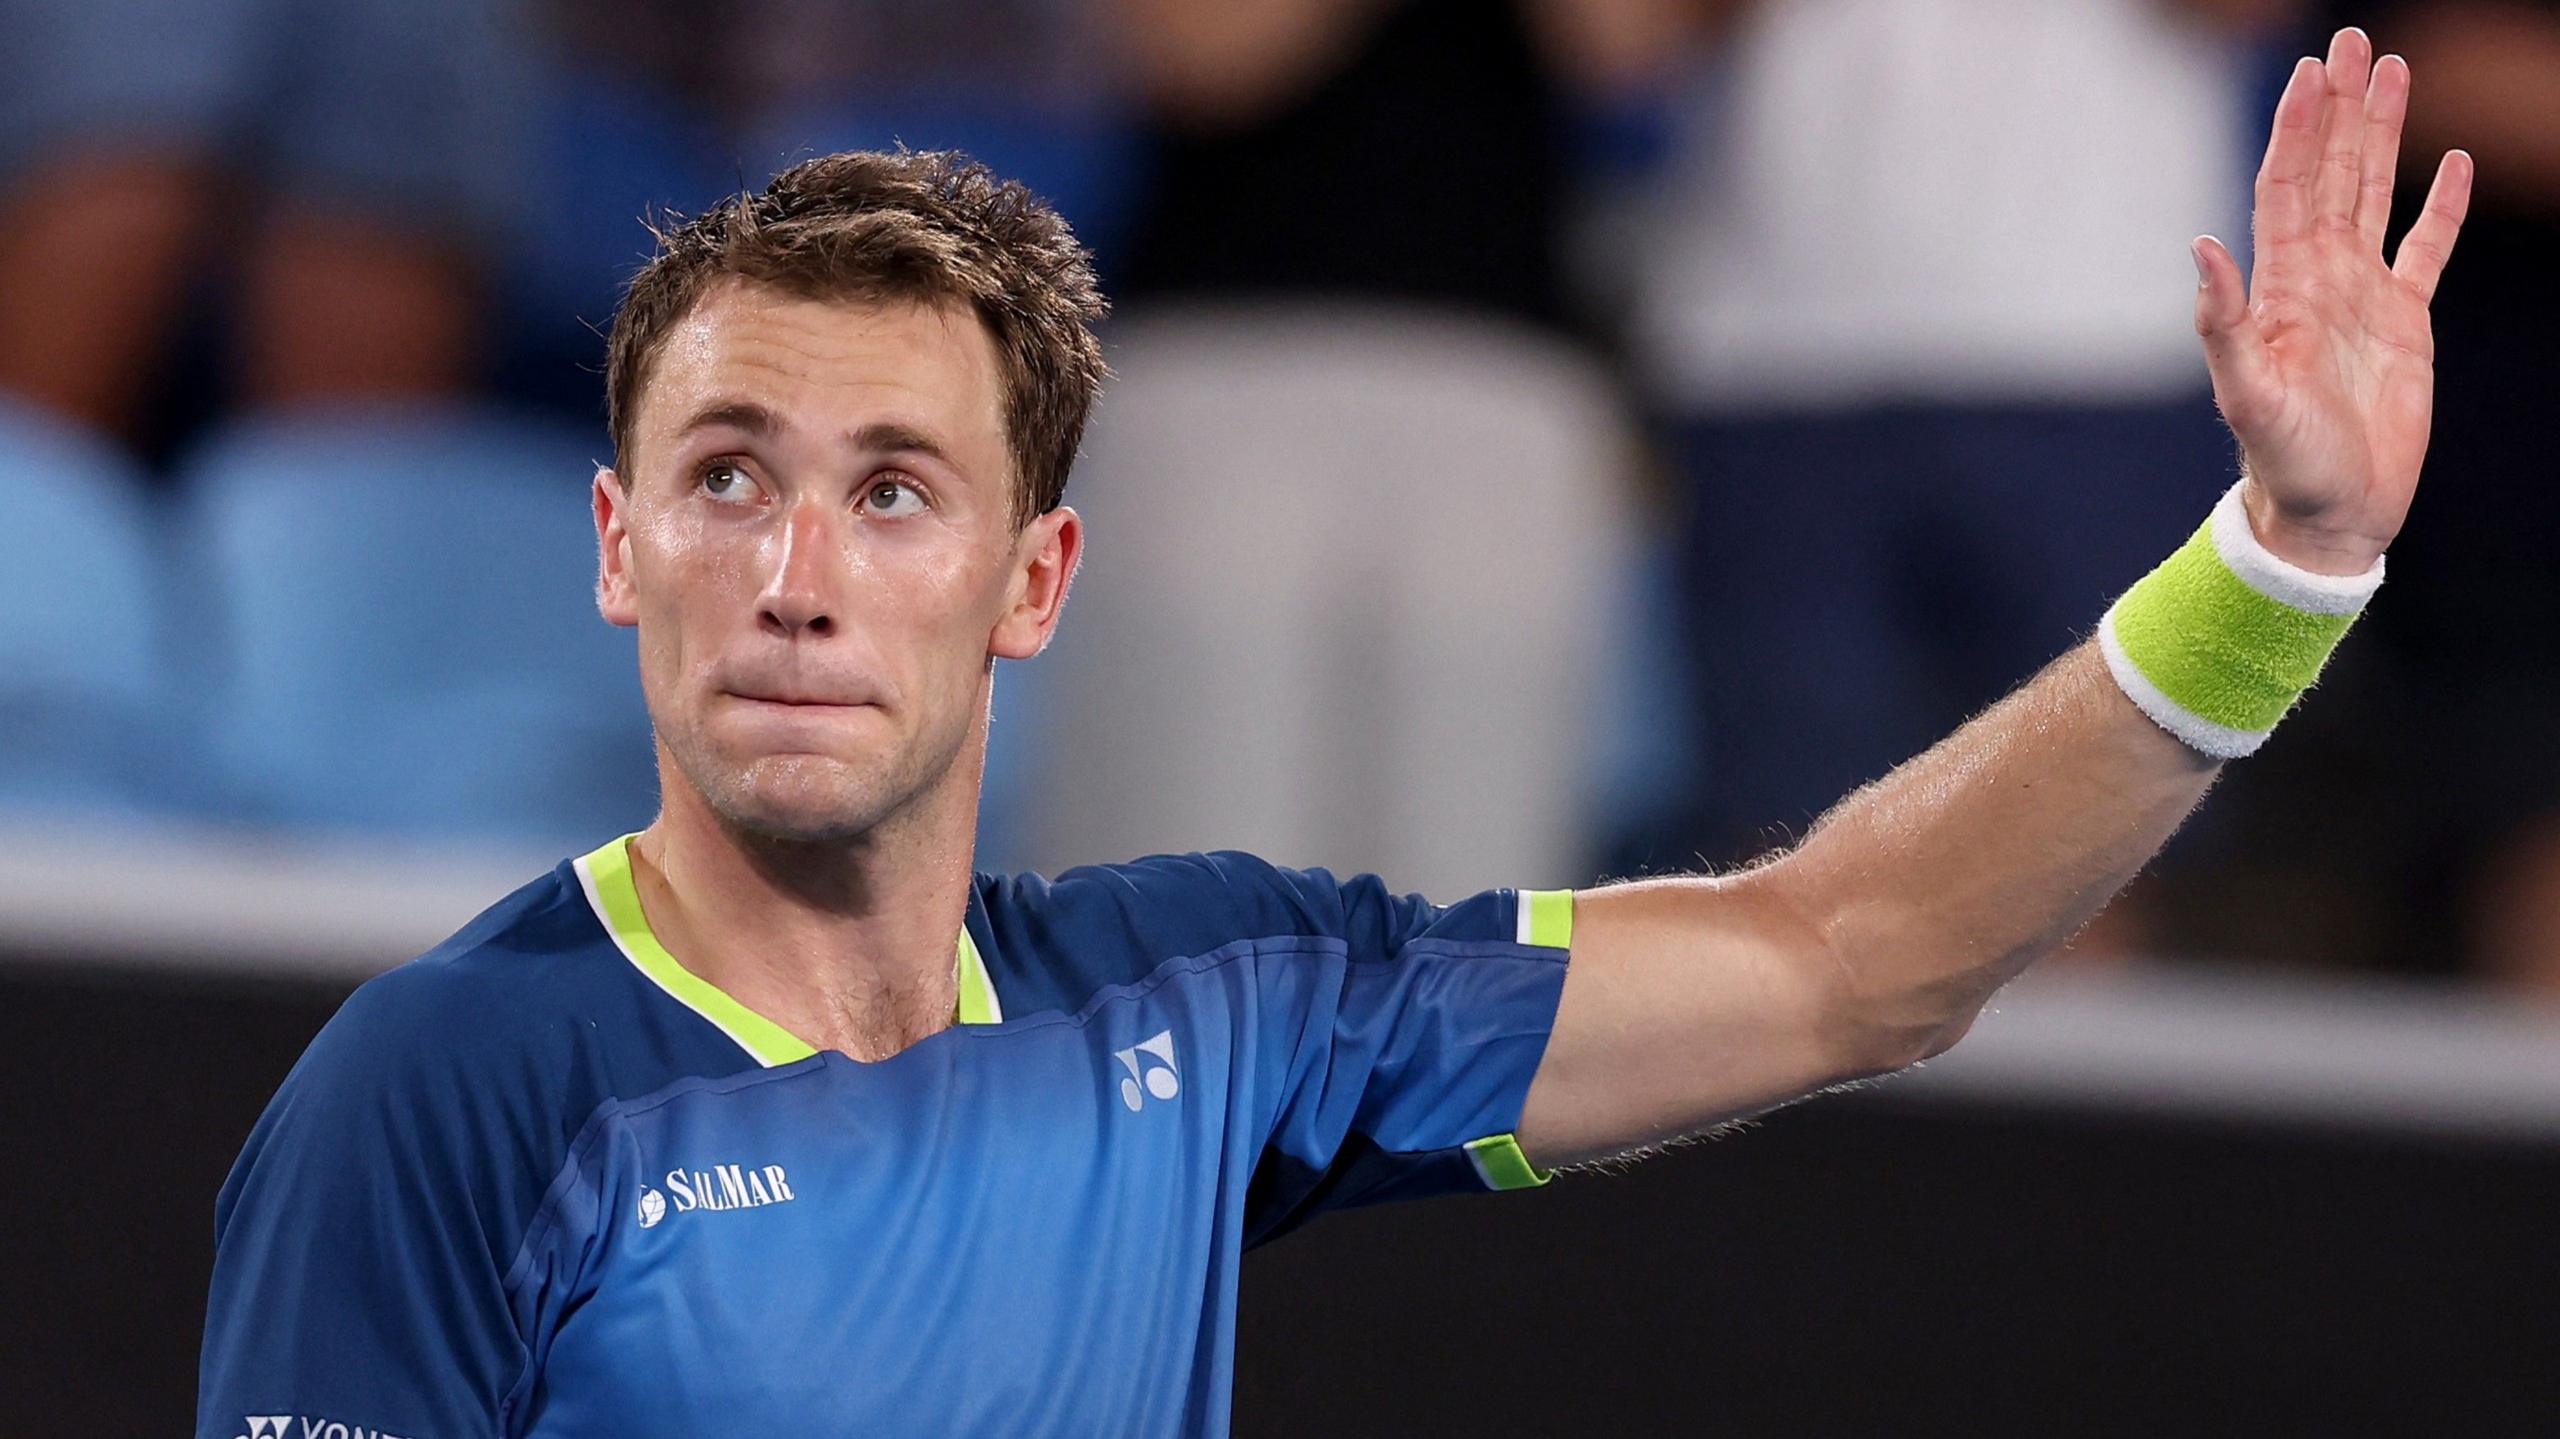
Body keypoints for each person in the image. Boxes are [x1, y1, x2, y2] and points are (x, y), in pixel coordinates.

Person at [197, 28, 2470, 1435]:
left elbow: (1847, 953)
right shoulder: (432, 1095)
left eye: (893, 494)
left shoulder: (1213, 998)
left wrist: (2275, 571)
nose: (792, 573)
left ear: (1033, 585)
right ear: (617, 546)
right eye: (725, 480)